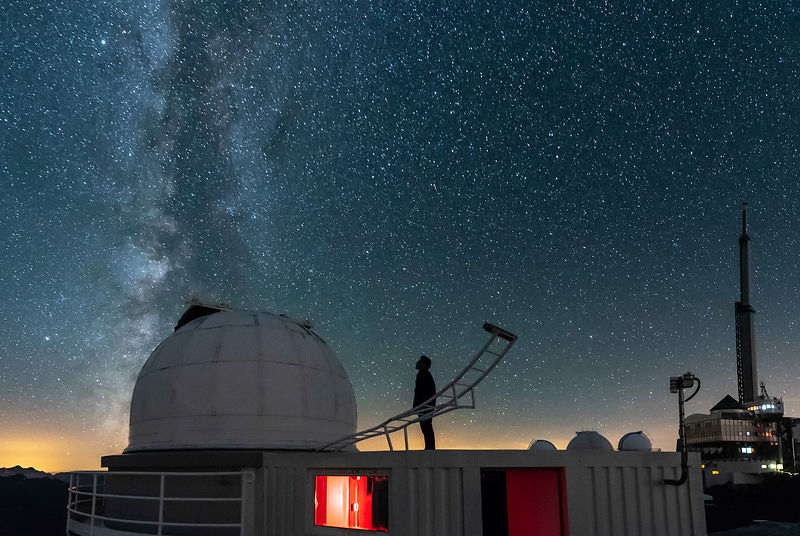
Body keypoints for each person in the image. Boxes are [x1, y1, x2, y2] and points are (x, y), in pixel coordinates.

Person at [413, 355, 436, 450]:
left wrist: (418, 406)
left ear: (424, 364)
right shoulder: (423, 374)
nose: (417, 362)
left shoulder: (424, 374)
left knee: (426, 426)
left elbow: (422, 392)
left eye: (419, 361)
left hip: (425, 405)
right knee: (425, 426)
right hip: (425, 405)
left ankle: (430, 447)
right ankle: (429, 447)